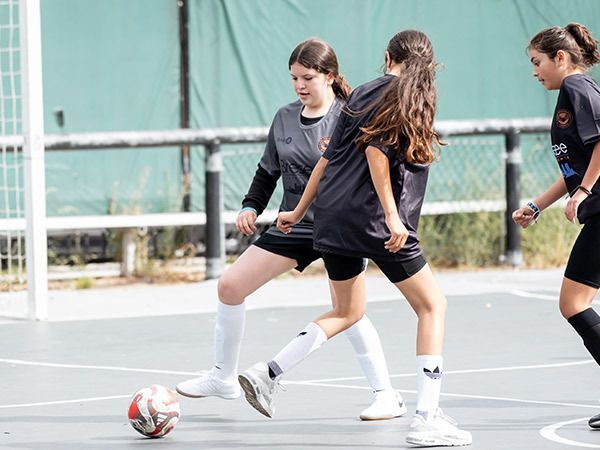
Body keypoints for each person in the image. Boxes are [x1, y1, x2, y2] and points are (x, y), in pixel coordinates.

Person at [238, 30, 472, 447]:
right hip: (377, 224)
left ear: (388, 57)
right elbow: (376, 154)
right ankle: (425, 417)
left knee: (346, 311)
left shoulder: (361, 93)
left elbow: (326, 160)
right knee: (433, 306)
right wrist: (392, 217)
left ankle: (267, 373)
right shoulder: (405, 95)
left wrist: (298, 209)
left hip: (333, 218)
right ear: (430, 65)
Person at [176, 38, 406, 421]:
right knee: (230, 286)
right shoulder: (285, 117)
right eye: (294, 78)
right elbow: (268, 171)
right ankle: (223, 377)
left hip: (340, 225)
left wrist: (385, 219)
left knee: (348, 312)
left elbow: (375, 170)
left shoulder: (350, 115)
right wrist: (251, 205)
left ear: (330, 76)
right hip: (293, 223)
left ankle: (385, 394)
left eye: (308, 77)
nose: (300, 85)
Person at [512, 23, 600, 429]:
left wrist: (583, 191)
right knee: (575, 303)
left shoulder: (577, 90)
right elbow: (575, 165)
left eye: (537, 62)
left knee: (574, 303)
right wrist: (538, 205)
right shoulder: (578, 91)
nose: (534, 72)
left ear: (560, 58)